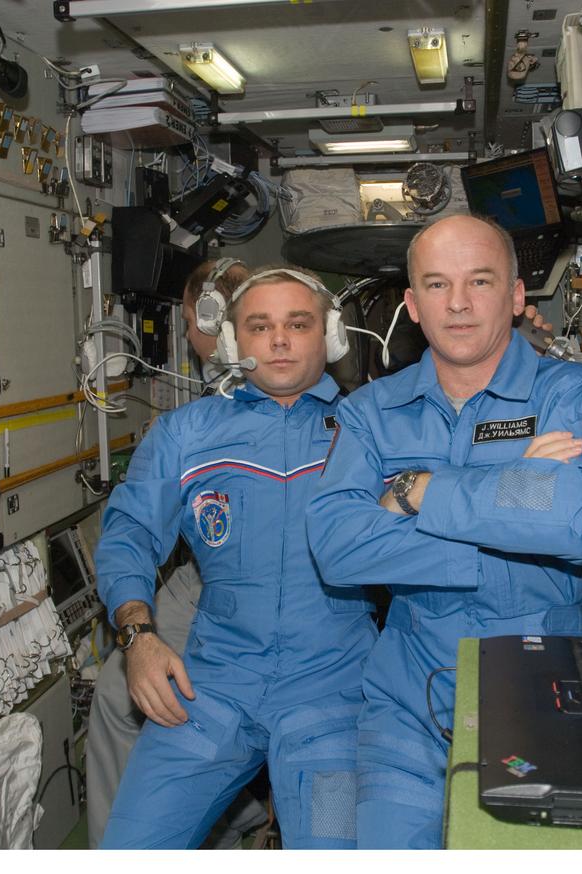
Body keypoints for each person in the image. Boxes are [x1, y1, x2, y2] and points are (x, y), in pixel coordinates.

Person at [305, 214, 582, 849]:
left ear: (515, 296)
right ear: (413, 305)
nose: (457, 303)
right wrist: (511, 514)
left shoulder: (576, 392)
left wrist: (413, 490)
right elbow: (338, 548)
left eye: (479, 281)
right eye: (435, 284)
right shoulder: (371, 412)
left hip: (540, 698)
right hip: (406, 705)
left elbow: (574, 519)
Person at [95, 265, 377, 849]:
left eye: (298, 324)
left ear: (328, 337)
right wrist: (138, 637)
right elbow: (127, 532)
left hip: (331, 695)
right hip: (210, 689)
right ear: (231, 342)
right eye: (259, 325)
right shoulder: (185, 434)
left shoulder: (371, 430)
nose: (278, 340)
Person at [84, 258, 265, 848]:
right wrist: (137, 633)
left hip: (263, 592)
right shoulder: (192, 423)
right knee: (121, 692)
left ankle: (224, 820)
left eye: (190, 322)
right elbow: (134, 527)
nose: (188, 338)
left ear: (214, 319)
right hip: (204, 573)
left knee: (149, 704)